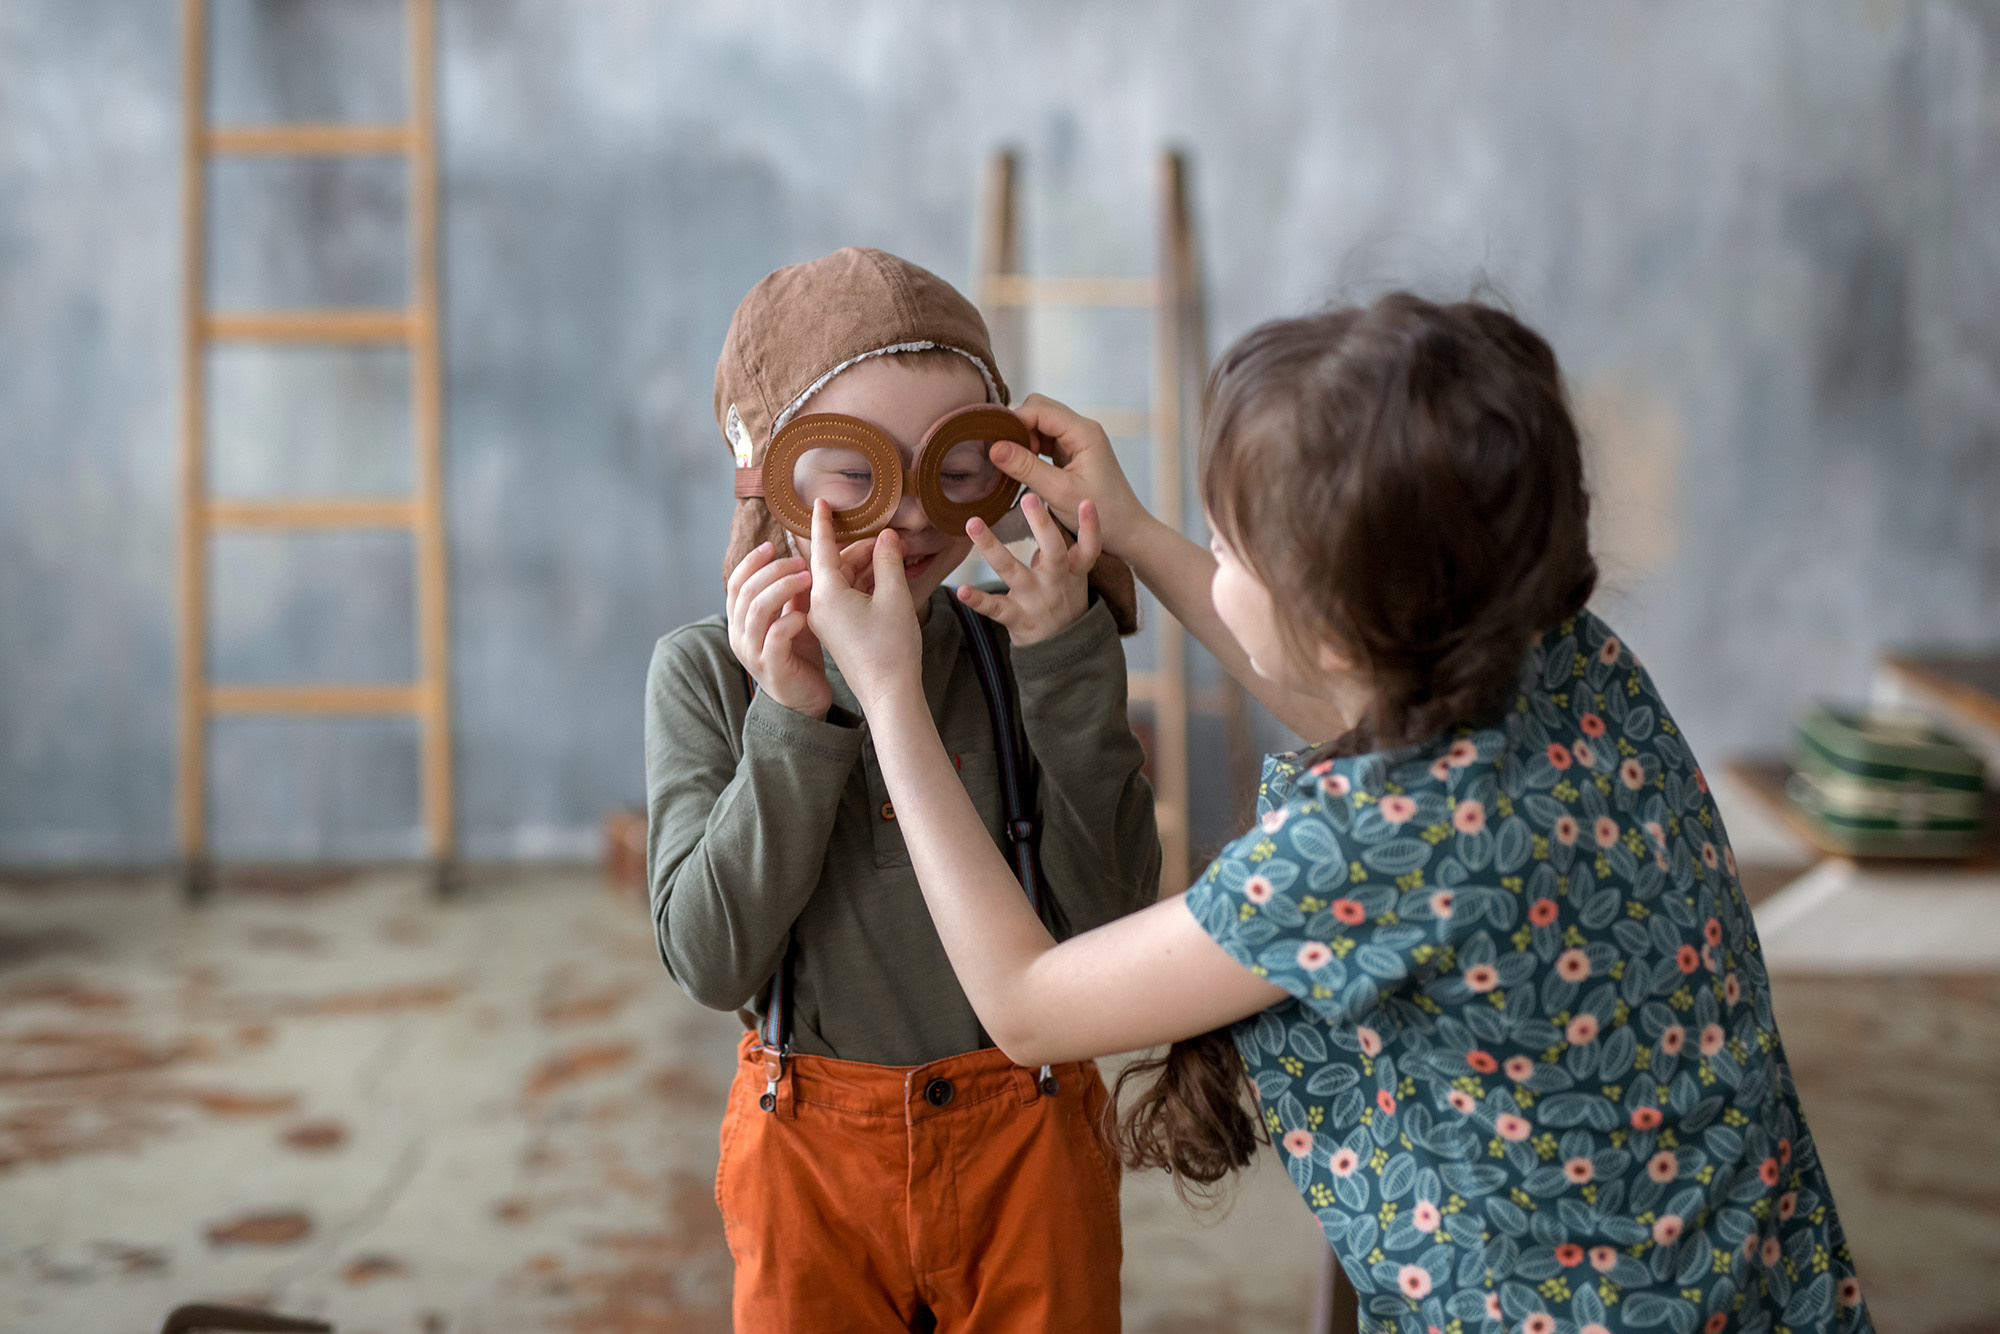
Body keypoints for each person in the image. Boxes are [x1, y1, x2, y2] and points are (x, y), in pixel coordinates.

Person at [805, 293, 1873, 1334]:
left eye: (1227, 553)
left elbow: (1026, 1003)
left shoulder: (1364, 847)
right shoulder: (1554, 651)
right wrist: (1126, 529)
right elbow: (1340, 687)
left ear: (1331, 620)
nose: (1213, 566)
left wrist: (891, 697)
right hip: (1756, 1277)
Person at [644, 247, 1160, 1331]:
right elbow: (709, 955)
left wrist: (1066, 663)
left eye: (957, 469)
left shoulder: (1023, 643)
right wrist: (790, 719)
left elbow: (1108, 923)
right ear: (773, 474)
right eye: (857, 472)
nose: (917, 514)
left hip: (1029, 1137)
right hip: (811, 1172)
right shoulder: (705, 676)